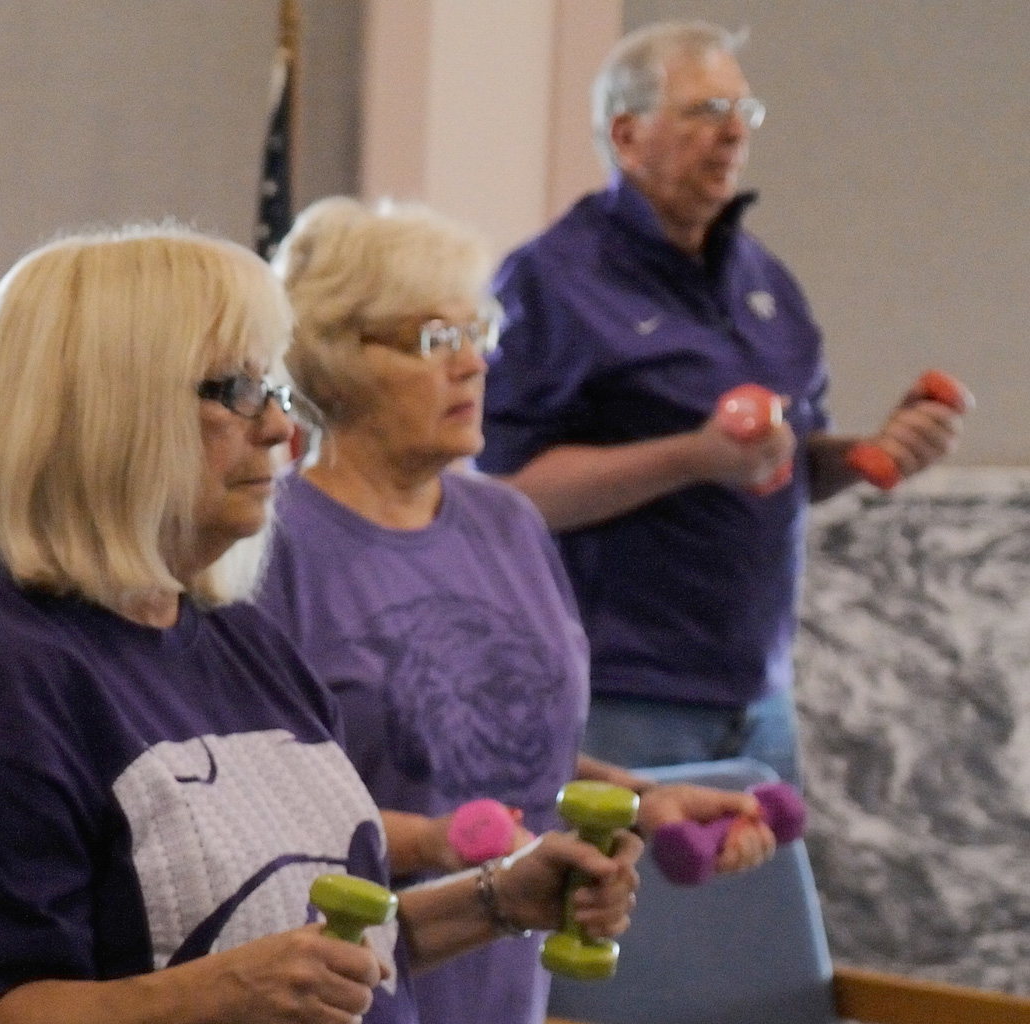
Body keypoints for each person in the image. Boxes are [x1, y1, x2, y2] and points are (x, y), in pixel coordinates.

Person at [0, 226, 640, 1024]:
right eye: (234, 390)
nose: (279, 431)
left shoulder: (238, 641)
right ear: (109, 409)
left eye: (275, 391)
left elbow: (326, 953)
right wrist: (221, 994)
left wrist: (498, 900)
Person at [262, 197, 782, 1024]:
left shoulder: (507, 523)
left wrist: (643, 801)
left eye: (478, 333)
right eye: (436, 339)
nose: (473, 363)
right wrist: (446, 845)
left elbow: (509, 749)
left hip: (508, 991)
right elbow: (257, 812)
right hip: (348, 991)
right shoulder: (273, 546)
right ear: (332, 360)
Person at [481, 21, 965, 787]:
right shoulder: (550, 281)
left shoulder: (764, 279)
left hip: (758, 691)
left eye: (745, 110)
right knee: (624, 876)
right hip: (619, 695)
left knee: (767, 874)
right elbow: (504, 496)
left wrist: (867, 454)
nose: (736, 132)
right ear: (627, 135)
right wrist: (693, 457)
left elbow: (781, 466)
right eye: (707, 111)